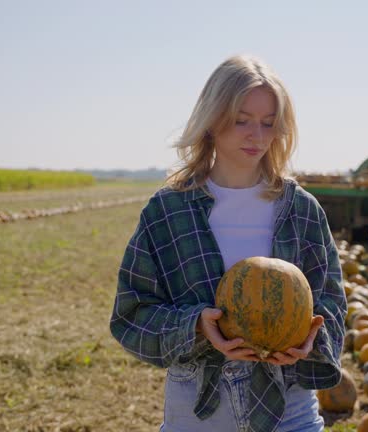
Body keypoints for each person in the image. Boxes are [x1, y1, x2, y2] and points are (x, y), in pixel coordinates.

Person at [109, 55, 346, 432]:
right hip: (199, 409)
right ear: (212, 119)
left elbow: (332, 302)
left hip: (289, 405)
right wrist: (197, 327)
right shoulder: (169, 211)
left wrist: (311, 340)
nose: (257, 135)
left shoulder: (301, 210)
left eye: (269, 123)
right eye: (242, 120)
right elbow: (132, 314)